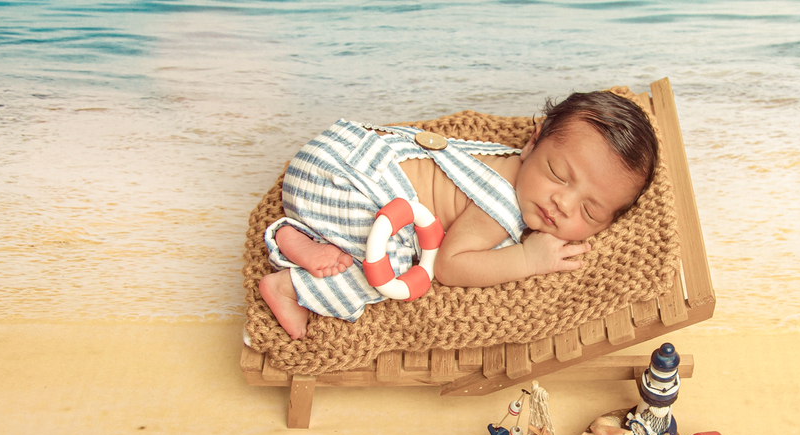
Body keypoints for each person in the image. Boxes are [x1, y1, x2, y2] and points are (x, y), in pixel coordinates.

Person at [258, 90, 658, 339]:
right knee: (391, 272)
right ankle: (289, 287)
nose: (564, 204)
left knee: (371, 230)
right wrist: (529, 259)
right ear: (532, 143)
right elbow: (450, 266)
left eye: (589, 211)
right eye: (557, 174)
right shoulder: (501, 204)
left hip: (328, 159)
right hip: (345, 180)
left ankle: (295, 238)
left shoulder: (507, 162)